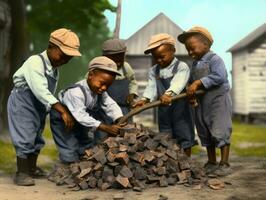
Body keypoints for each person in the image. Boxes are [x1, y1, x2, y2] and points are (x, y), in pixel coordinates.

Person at [7, 28, 81, 186]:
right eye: (63, 56)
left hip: (38, 104)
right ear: (52, 47)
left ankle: (31, 168)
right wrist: (61, 109)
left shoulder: (54, 69)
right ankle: (21, 173)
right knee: (25, 136)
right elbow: (40, 90)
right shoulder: (35, 62)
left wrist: (48, 108)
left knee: (36, 137)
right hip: (23, 101)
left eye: (69, 58)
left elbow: (49, 91)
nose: (65, 60)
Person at [177, 26, 232, 176]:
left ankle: (225, 163)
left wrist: (198, 83)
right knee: (205, 131)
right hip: (201, 104)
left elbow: (220, 76)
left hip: (217, 102)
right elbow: (191, 82)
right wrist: (190, 89)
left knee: (219, 129)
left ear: (206, 45)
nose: (190, 52)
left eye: (192, 48)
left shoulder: (215, 60)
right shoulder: (194, 64)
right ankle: (212, 161)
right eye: (188, 49)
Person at [50, 56, 124, 164]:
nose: (104, 88)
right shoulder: (76, 92)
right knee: (69, 146)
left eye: (108, 85)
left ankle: (83, 164)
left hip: (81, 120)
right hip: (63, 119)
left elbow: (109, 104)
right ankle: (68, 167)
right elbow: (80, 115)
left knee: (85, 143)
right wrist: (105, 127)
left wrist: (119, 117)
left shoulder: (99, 91)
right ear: (91, 75)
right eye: (102, 83)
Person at [133, 33, 195, 157]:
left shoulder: (181, 67)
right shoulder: (154, 70)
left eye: (162, 56)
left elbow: (178, 82)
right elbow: (151, 87)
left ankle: (186, 164)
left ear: (173, 50)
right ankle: (170, 162)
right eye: (156, 58)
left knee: (183, 135)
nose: (159, 60)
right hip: (164, 110)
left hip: (181, 109)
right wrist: (145, 99)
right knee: (166, 137)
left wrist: (168, 94)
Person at [102, 38, 138, 117]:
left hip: (124, 108)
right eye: (114, 61)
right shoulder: (100, 68)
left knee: (126, 126)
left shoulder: (126, 67)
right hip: (106, 109)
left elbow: (133, 82)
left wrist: (132, 94)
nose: (118, 64)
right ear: (105, 57)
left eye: (120, 60)